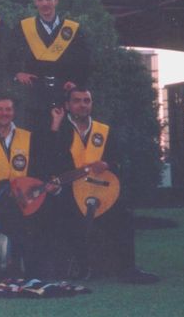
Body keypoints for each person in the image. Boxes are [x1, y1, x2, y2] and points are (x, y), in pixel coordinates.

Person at [39, 87, 159, 284]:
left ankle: (128, 269)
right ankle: (80, 267)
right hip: (69, 190)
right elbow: (47, 160)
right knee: (62, 216)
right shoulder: (57, 129)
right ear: (67, 105)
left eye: (86, 101)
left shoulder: (103, 130)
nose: (82, 105)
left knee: (123, 215)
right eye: (77, 101)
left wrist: (107, 164)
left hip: (99, 189)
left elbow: (119, 160)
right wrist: (55, 125)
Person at [0, 94, 47, 278]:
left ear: (14, 112)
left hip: (21, 197)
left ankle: (23, 273)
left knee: (25, 232)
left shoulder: (27, 137)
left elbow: (36, 168)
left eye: (8, 109)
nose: (4, 113)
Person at [11, 0, 90, 131]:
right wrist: (17, 73)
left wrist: (76, 82)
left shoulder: (73, 29)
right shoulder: (23, 28)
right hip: (33, 96)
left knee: (63, 137)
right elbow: (9, 56)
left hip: (63, 95)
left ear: (56, 0)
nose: (45, 3)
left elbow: (85, 61)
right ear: (35, 2)